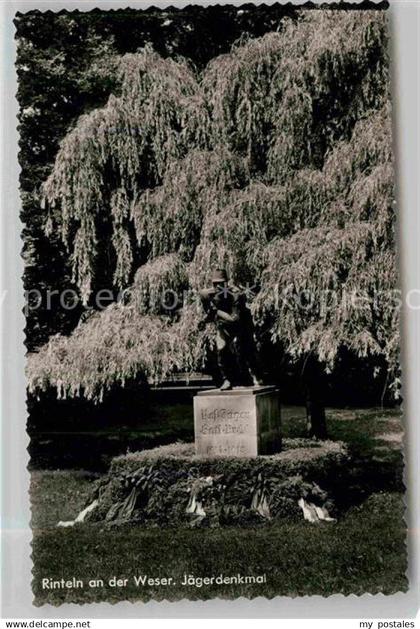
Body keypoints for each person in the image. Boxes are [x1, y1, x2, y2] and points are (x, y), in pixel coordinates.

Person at [198, 268, 263, 391]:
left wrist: (216, 312)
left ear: (226, 283)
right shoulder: (206, 295)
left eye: (221, 283)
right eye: (215, 284)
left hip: (242, 325)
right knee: (221, 350)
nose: (218, 287)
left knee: (246, 350)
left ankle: (256, 375)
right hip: (223, 325)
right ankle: (227, 379)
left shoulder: (235, 295)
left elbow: (234, 318)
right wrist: (205, 321)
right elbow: (210, 312)